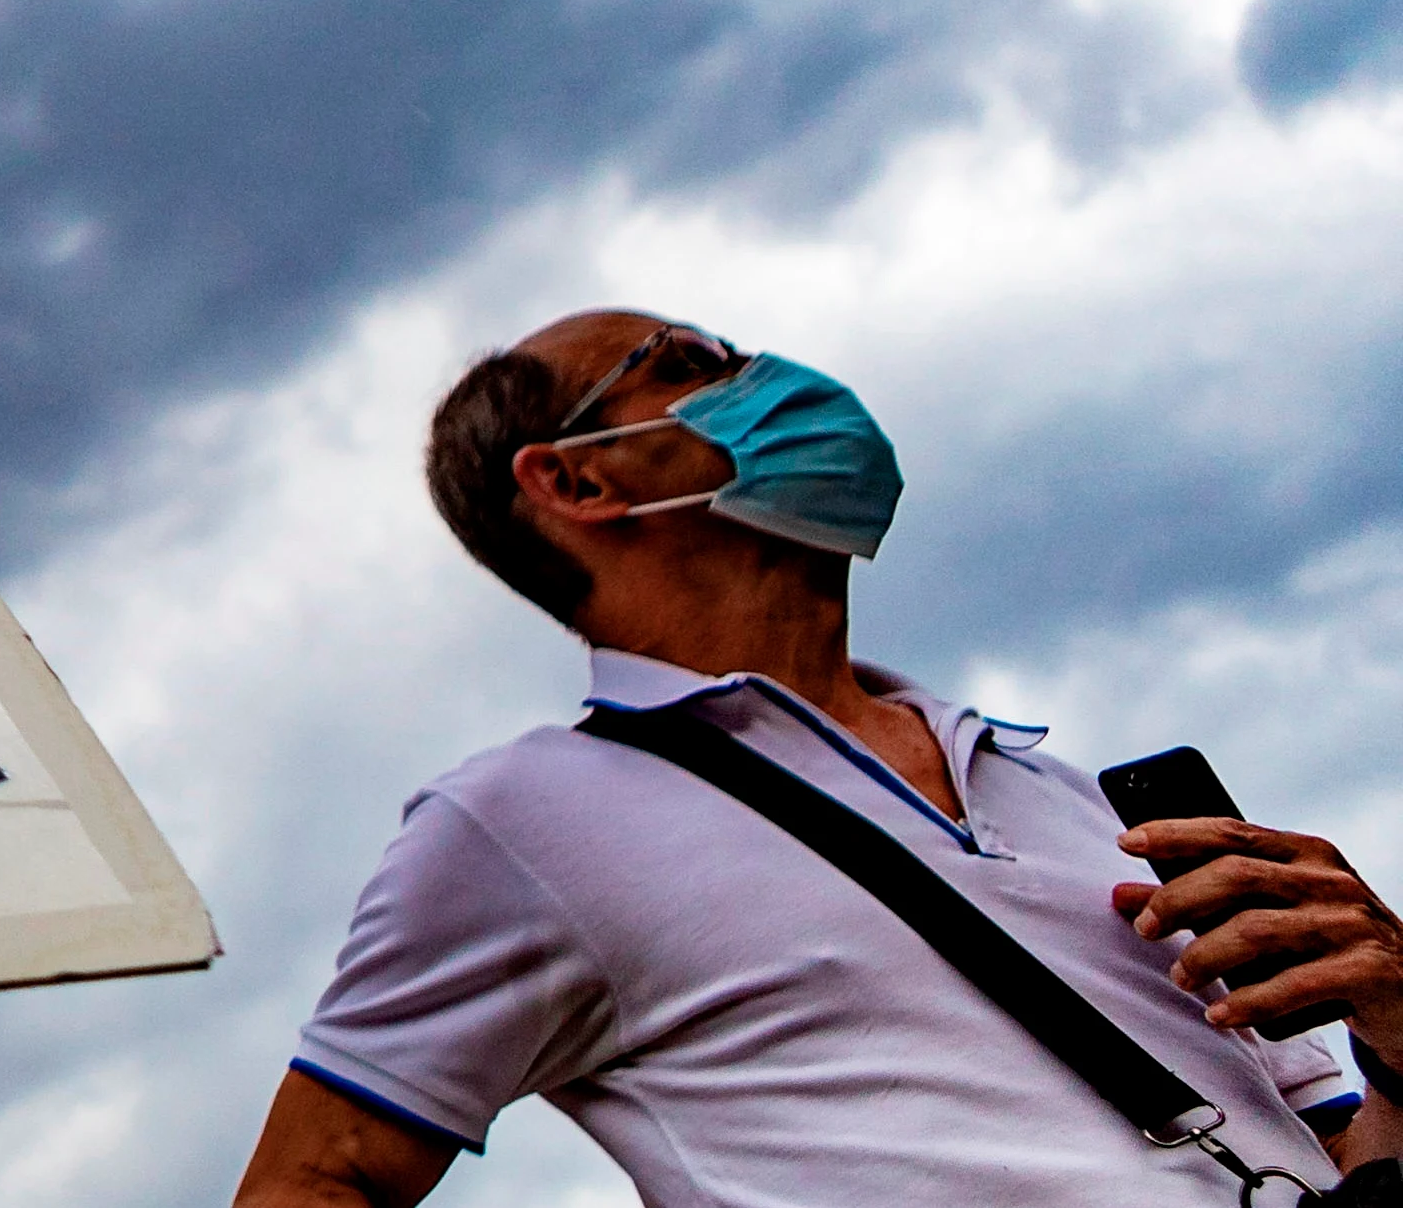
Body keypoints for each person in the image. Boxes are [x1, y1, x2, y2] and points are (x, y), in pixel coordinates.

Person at [236, 308, 1403, 1206]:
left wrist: (1395, 1028)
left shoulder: (1064, 790)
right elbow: (310, 1181)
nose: (772, 381)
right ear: (575, 479)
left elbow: (1337, 1154)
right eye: (691, 362)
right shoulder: (515, 822)